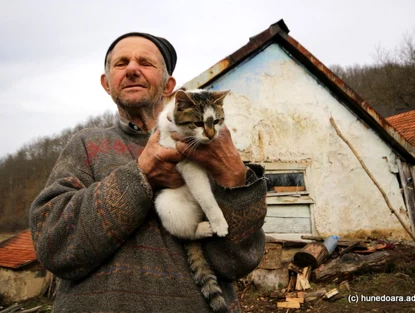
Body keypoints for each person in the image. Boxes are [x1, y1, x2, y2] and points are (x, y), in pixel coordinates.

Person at [29, 32, 267, 313]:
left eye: (145, 62)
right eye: (121, 63)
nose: (131, 69)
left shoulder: (210, 145)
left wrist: (235, 178)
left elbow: (238, 261)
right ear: (106, 84)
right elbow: (54, 246)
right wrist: (141, 176)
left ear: (169, 85)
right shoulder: (86, 145)